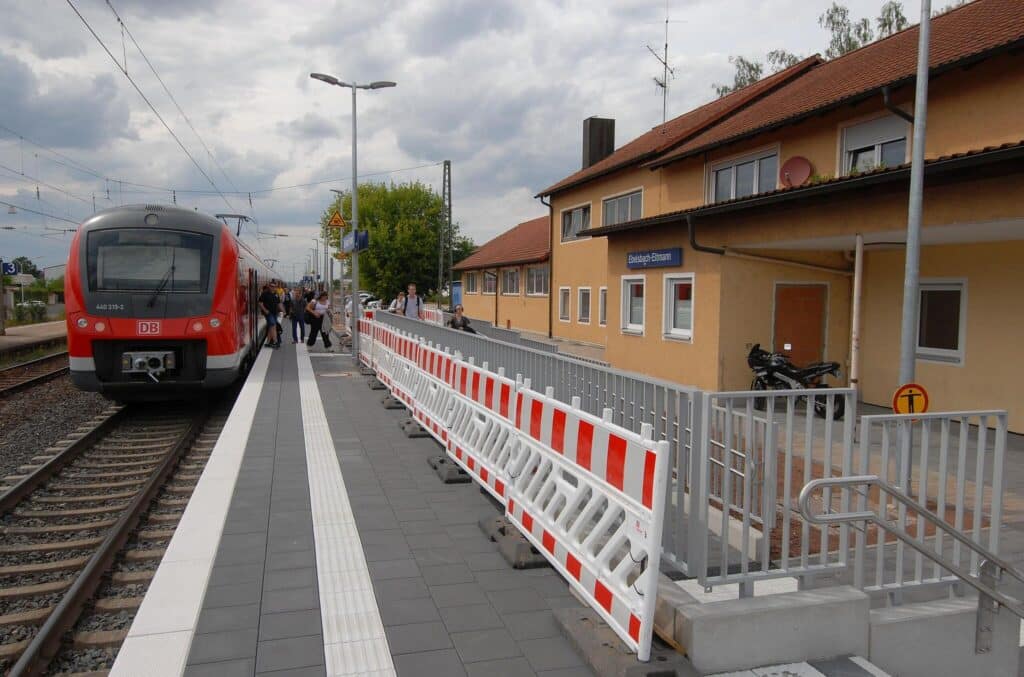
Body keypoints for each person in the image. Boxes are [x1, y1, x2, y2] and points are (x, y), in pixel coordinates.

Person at [258, 282, 281, 349]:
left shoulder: (276, 294)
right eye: (271, 286)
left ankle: (268, 342)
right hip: (268, 313)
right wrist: (265, 310)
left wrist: (283, 311)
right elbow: (260, 303)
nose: (273, 287)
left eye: (274, 286)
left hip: (275, 313)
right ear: (269, 286)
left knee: (271, 326)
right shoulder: (265, 293)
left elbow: (279, 303)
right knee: (273, 325)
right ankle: (275, 342)